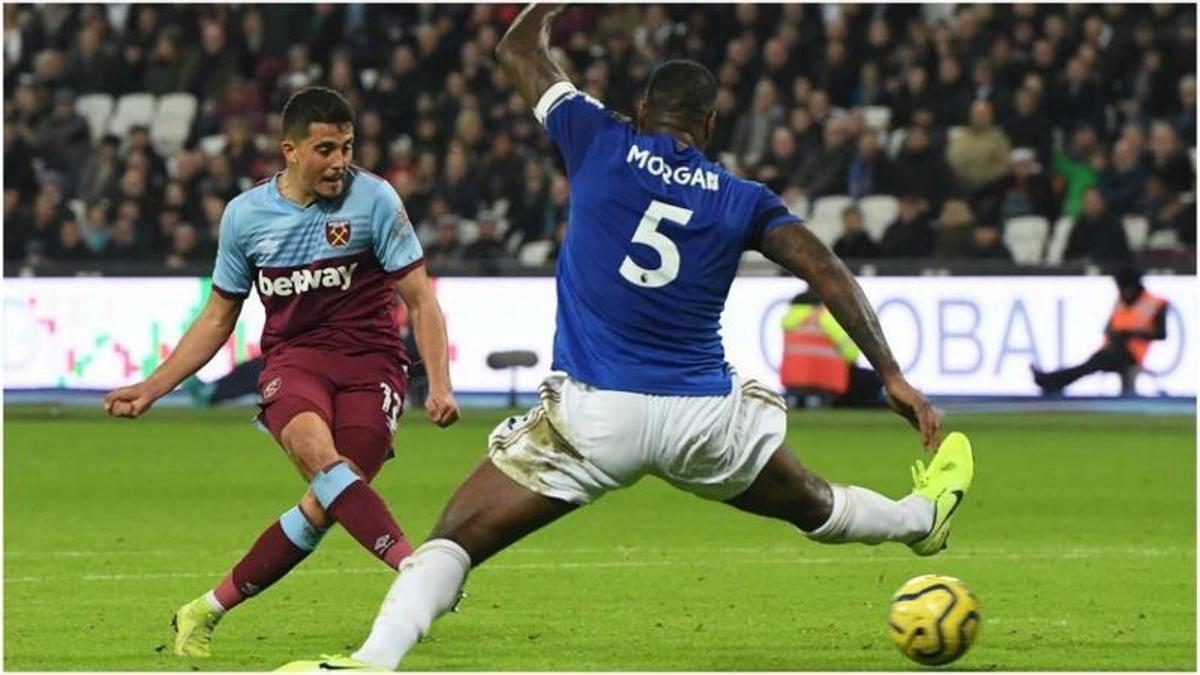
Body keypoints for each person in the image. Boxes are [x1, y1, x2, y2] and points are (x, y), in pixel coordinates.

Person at [281, 7, 972, 671]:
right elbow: (825, 267)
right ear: (708, 124)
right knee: (814, 501)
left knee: (454, 540)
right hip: (701, 418)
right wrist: (891, 373)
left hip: (595, 415)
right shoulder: (742, 198)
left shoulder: (599, 137)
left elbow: (516, 49)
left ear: (642, 112)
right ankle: (921, 519)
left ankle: (371, 661)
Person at [103, 87, 460, 658]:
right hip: (294, 364)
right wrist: (152, 386)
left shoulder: (375, 199)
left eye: (346, 146)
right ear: (289, 151)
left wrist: (439, 383)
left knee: (326, 504)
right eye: (325, 148)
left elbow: (419, 298)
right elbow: (219, 317)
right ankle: (416, 569)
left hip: (374, 364)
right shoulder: (245, 217)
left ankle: (203, 610)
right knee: (326, 465)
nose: (340, 161)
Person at [1032, 267, 1168, 395]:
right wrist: (1114, 335)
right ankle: (1052, 381)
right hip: (1112, 348)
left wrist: (1130, 334)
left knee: (1089, 366)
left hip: (1132, 355)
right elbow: (1109, 326)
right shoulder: (1121, 301)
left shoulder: (1156, 303)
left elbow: (1161, 334)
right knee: (1088, 366)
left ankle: (1051, 381)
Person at [780, 291, 882, 408]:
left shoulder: (789, 321)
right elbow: (852, 354)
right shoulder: (826, 318)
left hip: (792, 382)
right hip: (825, 381)